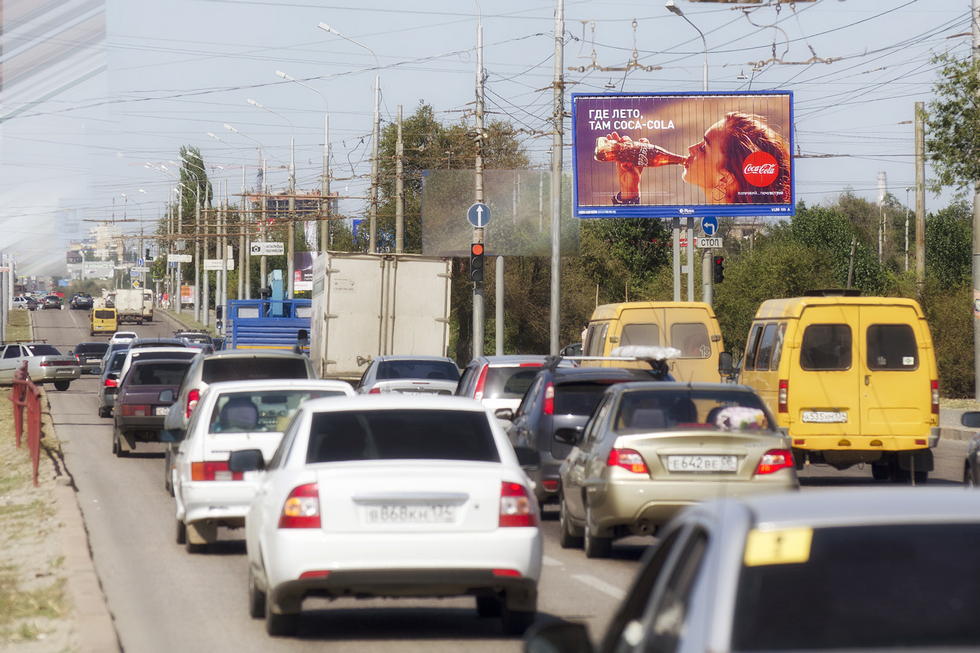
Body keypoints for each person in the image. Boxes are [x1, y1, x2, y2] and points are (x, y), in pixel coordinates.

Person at [605, 111, 791, 205]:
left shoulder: (728, 225)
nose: (690, 149)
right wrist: (629, 191)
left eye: (703, 147)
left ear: (725, 178)